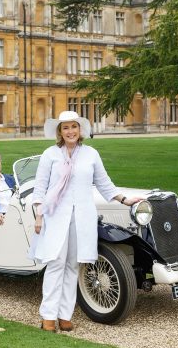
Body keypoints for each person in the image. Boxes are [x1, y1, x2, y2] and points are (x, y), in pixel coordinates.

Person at [29, 111, 142, 332]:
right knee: (55, 264)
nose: (70, 131)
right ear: (60, 132)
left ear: (80, 130)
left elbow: (104, 183)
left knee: (73, 265)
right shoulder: (50, 154)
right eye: (65, 128)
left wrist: (125, 200)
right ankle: (48, 317)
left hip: (82, 217)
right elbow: (40, 188)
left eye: (74, 127)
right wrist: (39, 215)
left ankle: (65, 315)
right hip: (55, 216)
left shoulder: (90, 154)